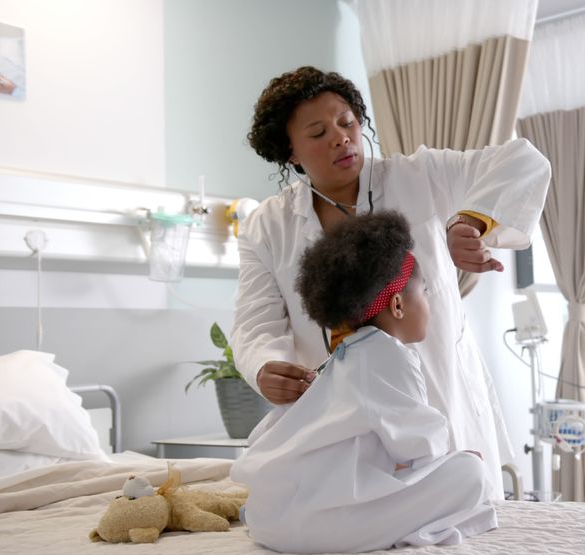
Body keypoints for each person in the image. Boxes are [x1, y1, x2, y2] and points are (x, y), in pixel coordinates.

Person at [231, 66, 550, 498]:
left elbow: (523, 159)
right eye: (318, 132)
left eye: (347, 123)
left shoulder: (419, 176)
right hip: (340, 417)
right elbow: (256, 324)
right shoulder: (265, 227)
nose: (341, 138)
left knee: (455, 527)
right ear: (290, 150)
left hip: (438, 393)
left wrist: (470, 220)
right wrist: (265, 365)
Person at [231, 212, 497, 554]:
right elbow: (420, 447)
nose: (430, 303)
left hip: (270, 517)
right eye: (426, 292)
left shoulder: (342, 357)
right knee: (470, 472)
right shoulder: (389, 355)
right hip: (312, 526)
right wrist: (454, 456)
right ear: (398, 304)